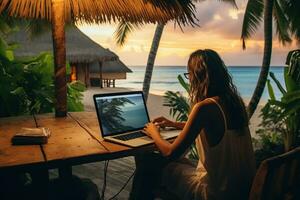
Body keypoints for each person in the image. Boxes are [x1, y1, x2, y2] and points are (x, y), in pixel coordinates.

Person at [129, 49, 256, 200]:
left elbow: (170, 152)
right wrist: (172, 124)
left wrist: (153, 132)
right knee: (172, 164)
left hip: (215, 192)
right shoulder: (234, 101)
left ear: (198, 76)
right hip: (240, 188)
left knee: (149, 165)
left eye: (189, 74)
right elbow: (213, 127)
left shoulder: (204, 107)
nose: (188, 79)